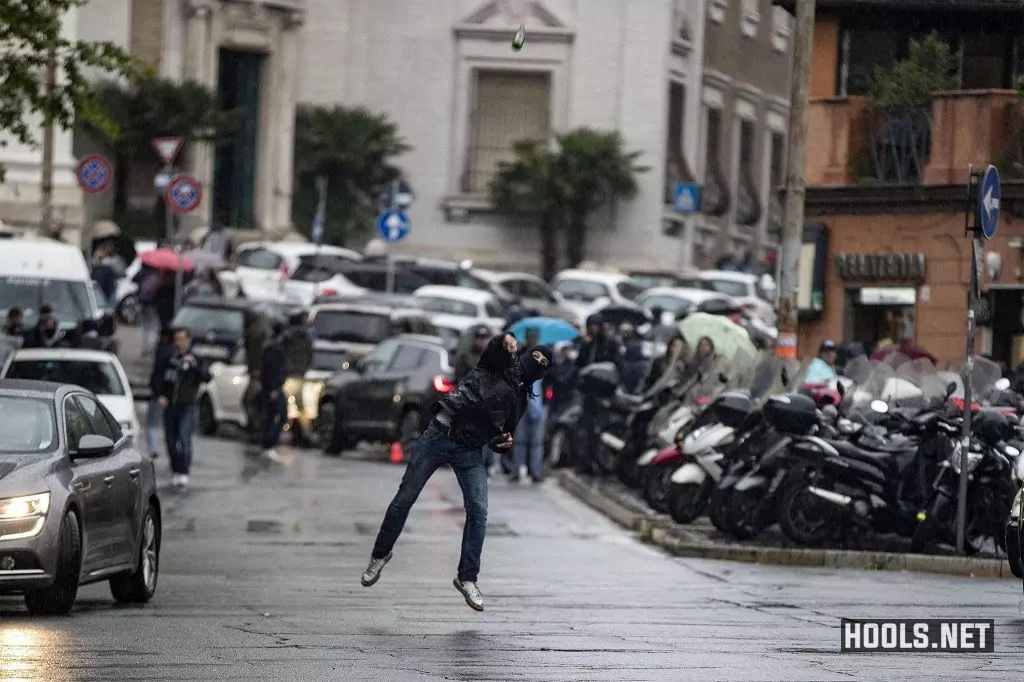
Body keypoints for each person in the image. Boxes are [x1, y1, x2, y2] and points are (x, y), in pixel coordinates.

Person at [360, 334, 552, 612]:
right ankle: (379, 555)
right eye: (534, 357)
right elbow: (492, 351)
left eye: (544, 363)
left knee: (479, 510)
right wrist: (504, 342)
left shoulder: (520, 400)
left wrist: (503, 444)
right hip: (438, 436)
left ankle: (467, 578)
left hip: (470, 451)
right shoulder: (496, 366)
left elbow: (500, 435)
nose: (537, 364)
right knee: (405, 498)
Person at [153, 327, 211, 489]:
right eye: (176, 339)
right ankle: (176, 470)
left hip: (187, 405)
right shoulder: (168, 357)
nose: (178, 342)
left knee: (184, 439)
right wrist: (160, 394)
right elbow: (157, 376)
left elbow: (206, 377)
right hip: (170, 405)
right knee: (171, 441)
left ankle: (184, 472)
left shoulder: (196, 358)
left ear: (188, 340)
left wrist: (195, 366)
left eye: (181, 339)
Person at [259, 322, 289, 463]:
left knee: (276, 415)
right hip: (274, 388)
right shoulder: (274, 349)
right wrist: (273, 388)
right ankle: (268, 445)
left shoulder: (271, 347)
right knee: (277, 415)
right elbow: (272, 370)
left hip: (274, 387)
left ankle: (268, 444)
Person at [145, 328, 174, 459]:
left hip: (159, 395)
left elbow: (158, 374)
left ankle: (153, 450)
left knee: (151, 423)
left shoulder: (163, 351)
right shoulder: (173, 352)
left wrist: (158, 393)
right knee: (167, 425)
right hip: (170, 396)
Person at [242, 311, 268, 444]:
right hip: (258, 374)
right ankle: (255, 428)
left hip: (256, 375)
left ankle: (255, 428)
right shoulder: (259, 332)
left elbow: (254, 355)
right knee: (253, 402)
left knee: (250, 401)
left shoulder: (254, 334)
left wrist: (254, 369)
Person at [616, 323, 646, 393]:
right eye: (623, 332)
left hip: (630, 373)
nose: (625, 334)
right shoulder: (618, 343)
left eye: (627, 332)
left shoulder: (635, 344)